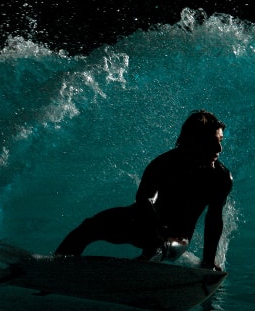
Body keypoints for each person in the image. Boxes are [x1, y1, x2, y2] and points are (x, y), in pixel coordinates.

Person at [54, 110, 233, 270]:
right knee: (88, 227)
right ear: (194, 141)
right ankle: (54, 268)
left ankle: (138, 271)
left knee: (160, 247)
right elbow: (144, 198)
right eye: (212, 142)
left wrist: (208, 262)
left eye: (220, 141)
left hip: (177, 238)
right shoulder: (164, 164)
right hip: (145, 223)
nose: (219, 148)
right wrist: (155, 228)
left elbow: (214, 219)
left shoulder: (220, 177)